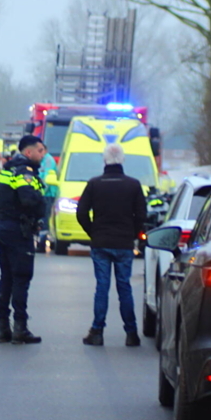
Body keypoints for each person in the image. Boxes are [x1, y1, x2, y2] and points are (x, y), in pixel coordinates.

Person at [76, 143, 147, 347]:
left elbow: (81, 213)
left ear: (104, 160)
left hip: (101, 242)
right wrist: (132, 233)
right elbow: (142, 215)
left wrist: (94, 232)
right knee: (124, 287)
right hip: (124, 243)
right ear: (123, 160)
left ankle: (97, 331)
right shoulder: (133, 185)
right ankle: (131, 333)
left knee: (102, 287)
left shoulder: (94, 184)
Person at [0, 135, 47, 345]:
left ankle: (2, 327)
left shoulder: (8, 169)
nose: (43, 155)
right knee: (21, 278)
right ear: (28, 152)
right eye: (40, 151)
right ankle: (20, 327)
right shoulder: (26, 172)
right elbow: (28, 199)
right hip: (19, 230)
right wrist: (40, 201)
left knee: (6, 277)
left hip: (4, 227)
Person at [38, 145, 59, 252]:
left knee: (45, 218)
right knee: (43, 218)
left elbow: (46, 179)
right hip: (45, 194)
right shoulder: (43, 160)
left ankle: (43, 243)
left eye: (40, 150)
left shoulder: (48, 160)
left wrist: (40, 192)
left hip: (47, 194)